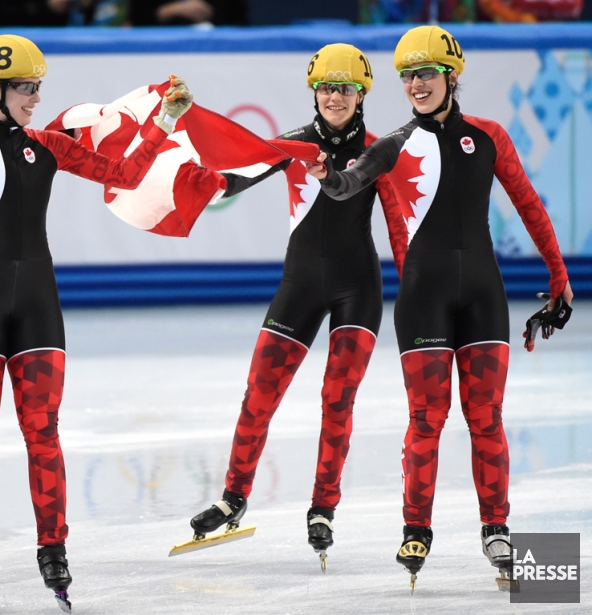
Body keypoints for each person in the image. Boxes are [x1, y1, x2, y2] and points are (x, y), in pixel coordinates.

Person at [0, 34, 197, 610]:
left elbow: (123, 172)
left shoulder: (46, 146)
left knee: (44, 433)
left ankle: (54, 551)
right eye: (26, 88)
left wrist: (165, 119)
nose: (36, 98)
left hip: (38, 304)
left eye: (39, 87)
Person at [307, 25, 573, 588]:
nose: (415, 85)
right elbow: (348, 185)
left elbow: (528, 205)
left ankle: (497, 529)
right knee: (426, 421)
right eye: (407, 76)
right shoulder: (394, 143)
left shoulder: (490, 135)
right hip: (423, 300)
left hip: (483, 297)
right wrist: (328, 176)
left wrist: (559, 275)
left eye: (425, 74)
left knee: (487, 421)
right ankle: (416, 529)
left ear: (451, 77)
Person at [187, 44, 407, 569]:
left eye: (345, 87)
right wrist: (192, 173)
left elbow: (402, 228)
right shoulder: (290, 144)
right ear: (315, 91)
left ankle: (323, 507)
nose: (335, 96)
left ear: (361, 94)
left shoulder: (379, 151)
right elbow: (230, 182)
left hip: (359, 290)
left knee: (338, 401)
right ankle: (234, 497)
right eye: (327, 87)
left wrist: (419, 287)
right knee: (258, 395)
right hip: (300, 285)